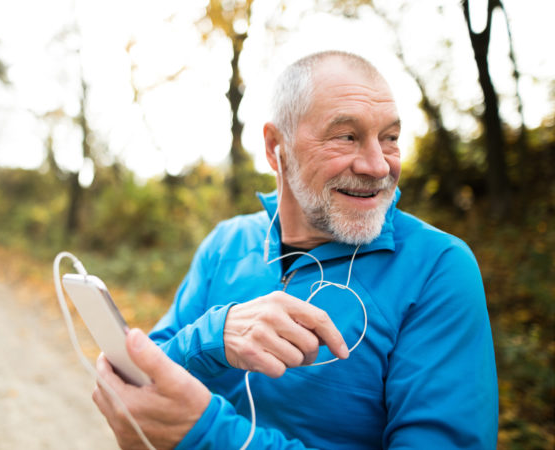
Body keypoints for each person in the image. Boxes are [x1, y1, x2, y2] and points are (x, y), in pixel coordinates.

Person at [92, 50, 499, 449]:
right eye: (347, 136)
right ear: (275, 147)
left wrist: (210, 436)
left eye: (389, 138)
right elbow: (147, 371)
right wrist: (217, 333)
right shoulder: (227, 243)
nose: (378, 165)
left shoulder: (439, 267)